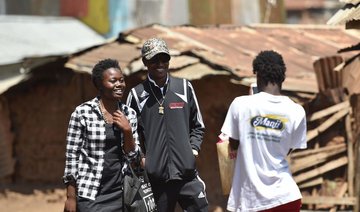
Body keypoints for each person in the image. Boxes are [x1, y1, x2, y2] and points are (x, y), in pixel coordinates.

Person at [126, 38, 208, 212]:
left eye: (164, 59)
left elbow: (198, 125)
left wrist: (192, 151)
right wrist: (142, 159)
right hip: (156, 179)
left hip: (187, 174)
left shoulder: (184, 87)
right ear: (145, 62)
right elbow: (131, 133)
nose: (160, 64)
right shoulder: (137, 94)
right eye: (154, 60)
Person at [221, 50, 307, 212]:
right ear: (282, 77)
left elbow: (233, 144)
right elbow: (285, 150)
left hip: (251, 200)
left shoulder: (241, 105)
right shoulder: (296, 111)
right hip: (286, 198)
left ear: (257, 75)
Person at [63, 58, 141, 212]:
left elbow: (134, 158)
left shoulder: (129, 114)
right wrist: (71, 197)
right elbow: (72, 157)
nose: (119, 85)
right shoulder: (82, 113)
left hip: (120, 193)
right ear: (99, 85)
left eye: (121, 80)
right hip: (90, 193)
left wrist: (127, 131)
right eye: (113, 81)